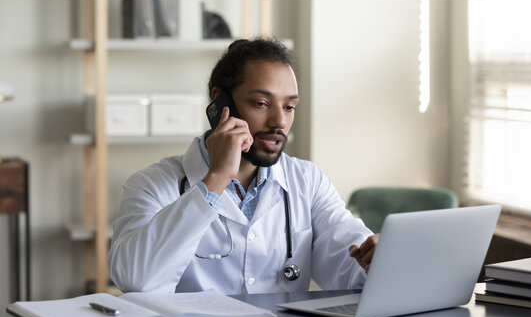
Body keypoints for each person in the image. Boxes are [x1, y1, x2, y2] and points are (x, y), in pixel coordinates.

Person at [108, 38, 379, 294]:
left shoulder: (307, 181)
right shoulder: (152, 185)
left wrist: (374, 258)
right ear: (220, 103)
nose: (279, 122)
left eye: (289, 106)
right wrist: (215, 180)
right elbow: (136, 279)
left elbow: (348, 259)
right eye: (261, 103)